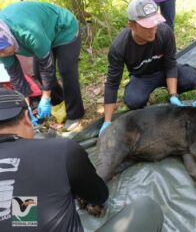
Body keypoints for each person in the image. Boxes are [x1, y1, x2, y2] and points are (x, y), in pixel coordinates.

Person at [0, 88, 164, 232]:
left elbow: (20, 215)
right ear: (27, 119)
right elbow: (98, 195)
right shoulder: (60, 150)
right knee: (146, 208)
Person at [99, 0, 196, 136]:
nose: (152, 29)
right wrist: (108, 121)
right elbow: (112, 83)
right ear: (132, 25)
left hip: (164, 70)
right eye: (147, 26)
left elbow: (170, 64)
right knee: (133, 101)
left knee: (193, 78)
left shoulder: (165, 32)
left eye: (155, 23)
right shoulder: (119, 47)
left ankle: (172, 94)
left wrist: (173, 95)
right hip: (142, 76)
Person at [0, 1, 85, 131]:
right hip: (44, 34)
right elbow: (15, 75)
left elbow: (47, 65)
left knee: (66, 70)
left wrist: (45, 97)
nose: (2, 54)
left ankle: (75, 114)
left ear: (7, 39)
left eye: (2, 50)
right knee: (38, 74)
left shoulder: (27, 32)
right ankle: (59, 102)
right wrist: (25, 105)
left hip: (63, 29)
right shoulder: (4, 44)